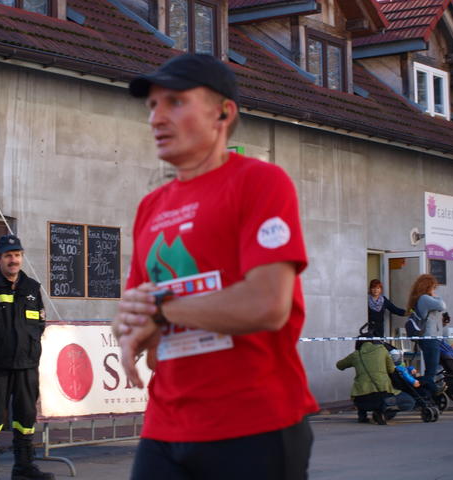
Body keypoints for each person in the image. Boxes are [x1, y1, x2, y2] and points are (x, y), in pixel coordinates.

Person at [112, 53, 318, 480]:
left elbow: (267, 305)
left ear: (224, 112)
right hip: (166, 425)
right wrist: (130, 330)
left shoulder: (260, 182)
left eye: (175, 102)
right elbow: (140, 317)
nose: (156, 118)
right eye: (152, 106)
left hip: (254, 423)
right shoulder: (151, 207)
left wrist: (163, 309)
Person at [0, 235, 53, 480]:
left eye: (17, 255)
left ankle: (23, 468)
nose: (13, 260)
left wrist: (29, 348)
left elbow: (39, 323)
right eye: (8, 256)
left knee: (26, 418)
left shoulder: (32, 288)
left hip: (27, 365)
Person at [336, 341, 415, 424]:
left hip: (360, 401)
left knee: (361, 389)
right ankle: (383, 414)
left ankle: (362, 416)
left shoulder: (355, 355)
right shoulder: (382, 350)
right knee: (409, 402)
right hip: (382, 396)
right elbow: (391, 369)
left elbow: (339, 365)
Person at [406, 274, 446, 395]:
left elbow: (432, 318)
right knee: (431, 373)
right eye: (433, 287)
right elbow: (442, 305)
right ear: (427, 287)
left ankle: (424, 394)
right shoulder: (424, 298)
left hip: (433, 338)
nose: (434, 290)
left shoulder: (425, 299)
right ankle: (414, 389)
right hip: (429, 339)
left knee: (432, 371)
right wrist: (436, 296)